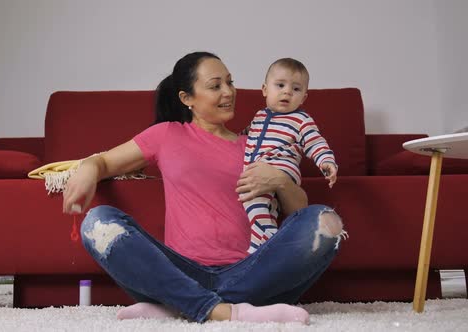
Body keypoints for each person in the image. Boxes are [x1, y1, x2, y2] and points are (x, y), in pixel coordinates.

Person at [62, 51, 347, 324]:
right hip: (178, 272)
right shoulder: (166, 135)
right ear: (187, 98)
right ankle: (223, 310)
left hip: (250, 271)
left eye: (230, 82)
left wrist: (280, 180)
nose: (229, 92)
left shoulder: (256, 145)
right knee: (98, 221)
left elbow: (298, 213)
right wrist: (88, 169)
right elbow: (103, 162)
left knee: (325, 221)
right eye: (215, 86)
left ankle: (179, 306)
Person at [243, 58, 338, 254]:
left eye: (296, 89)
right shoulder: (259, 116)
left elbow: (315, 142)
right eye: (280, 85)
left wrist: (326, 161)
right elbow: (245, 138)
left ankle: (263, 240)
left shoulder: (301, 120)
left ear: (303, 97)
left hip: (282, 166)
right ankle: (267, 238)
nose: (287, 92)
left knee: (251, 196)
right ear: (265, 90)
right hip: (255, 168)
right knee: (260, 202)